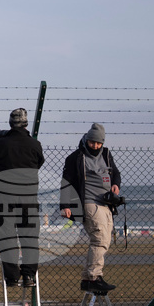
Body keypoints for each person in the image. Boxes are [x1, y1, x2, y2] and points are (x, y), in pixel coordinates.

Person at [60, 123, 122, 294]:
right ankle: (94, 277)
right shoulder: (76, 157)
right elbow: (66, 182)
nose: (95, 146)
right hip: (88, 202)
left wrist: (115, 184)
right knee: (99, 239)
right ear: (87, 140)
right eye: (92, 142)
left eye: (98, 143)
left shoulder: (107, 155)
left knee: (105, 240)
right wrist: (65, 205)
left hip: (106, 204)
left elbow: (115, 173)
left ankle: (88, 278)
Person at [0, 108, 44, 288]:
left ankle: (11, 276)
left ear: (10, 124)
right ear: (26, 124)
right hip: (28, 197)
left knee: (7, 237)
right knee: (29, 237)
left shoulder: (1, 144)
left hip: (5, 197)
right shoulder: (35, 145)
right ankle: (29, 276)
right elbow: (39, 163)